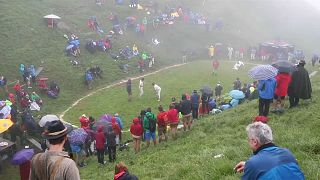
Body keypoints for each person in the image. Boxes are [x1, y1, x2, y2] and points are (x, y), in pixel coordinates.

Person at [234, 122, 305, 180]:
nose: (248, 142)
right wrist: (249, 165)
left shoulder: (253, 163)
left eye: (249, 139)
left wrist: (250, 166)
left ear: (255, 142)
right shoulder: (287, 153)